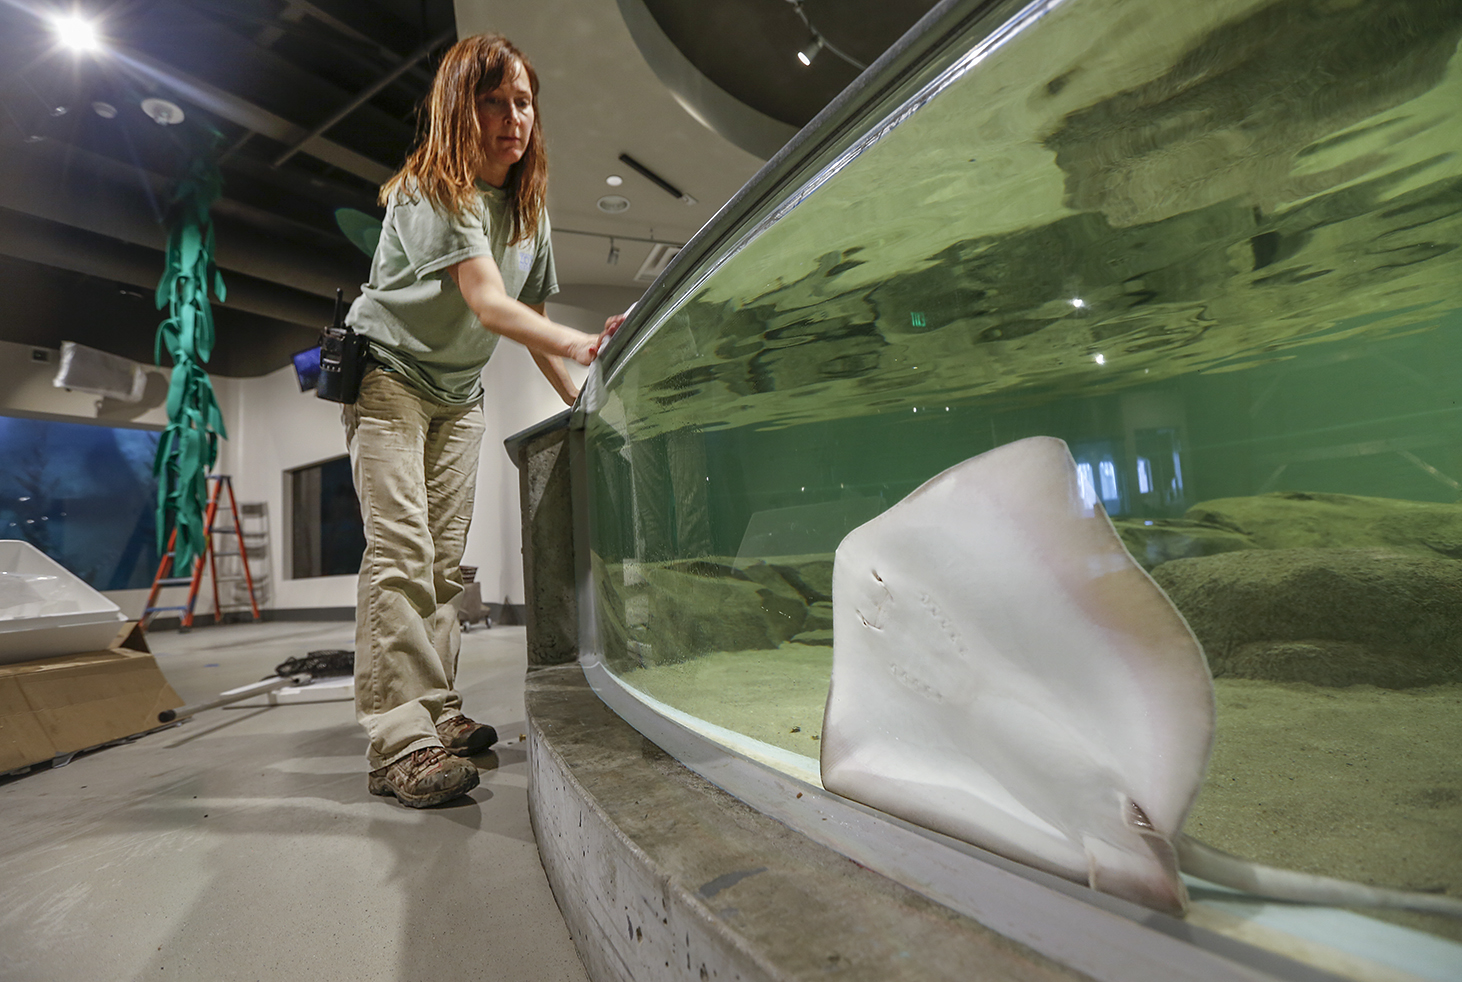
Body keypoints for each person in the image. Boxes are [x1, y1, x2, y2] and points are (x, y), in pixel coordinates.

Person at [342, 33, 615, 808]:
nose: (512, 117)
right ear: (460, 109)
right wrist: (582, 341)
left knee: (443, 566)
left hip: (458, 393)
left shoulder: (528, 211)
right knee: (400, 553)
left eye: (522, 101)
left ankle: (437, 710)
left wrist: (579, 399)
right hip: (389, 378)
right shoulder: (432, 189)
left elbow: (532, 318)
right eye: (493, 101)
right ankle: (399, 744)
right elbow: (489, 305)